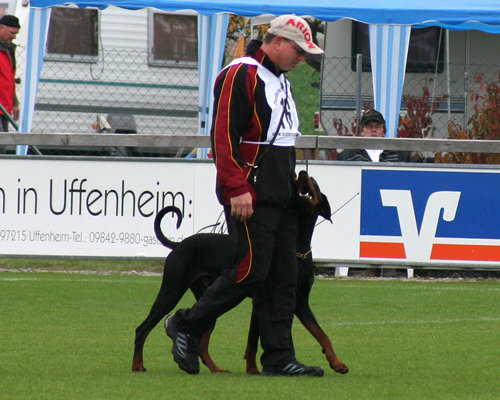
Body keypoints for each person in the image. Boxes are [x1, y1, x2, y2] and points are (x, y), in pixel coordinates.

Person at [165, 15, 325, 377]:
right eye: (299, 51)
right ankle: (187, 324)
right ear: (278, 42)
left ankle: (279, 357)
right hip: (251, 189)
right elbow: (223, 135)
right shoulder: (242, 73)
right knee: (251, 271)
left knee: (284, 275)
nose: (302, 59)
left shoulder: (276, 78)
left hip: (279, 189)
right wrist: (236, 187)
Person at [336, 109, 411, 162]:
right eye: (369, 126)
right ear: (362, 131)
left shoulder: (398, 155)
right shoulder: (348, 156)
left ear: (384, 132)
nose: (374, 130)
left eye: (378, 127)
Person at [0, 15, 21, 136]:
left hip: (5, 108)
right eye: (12, 33)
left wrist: (14, 103)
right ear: (1, 28)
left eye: (16, 34)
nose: (14, 37)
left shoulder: (9, 50)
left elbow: (9, 79)